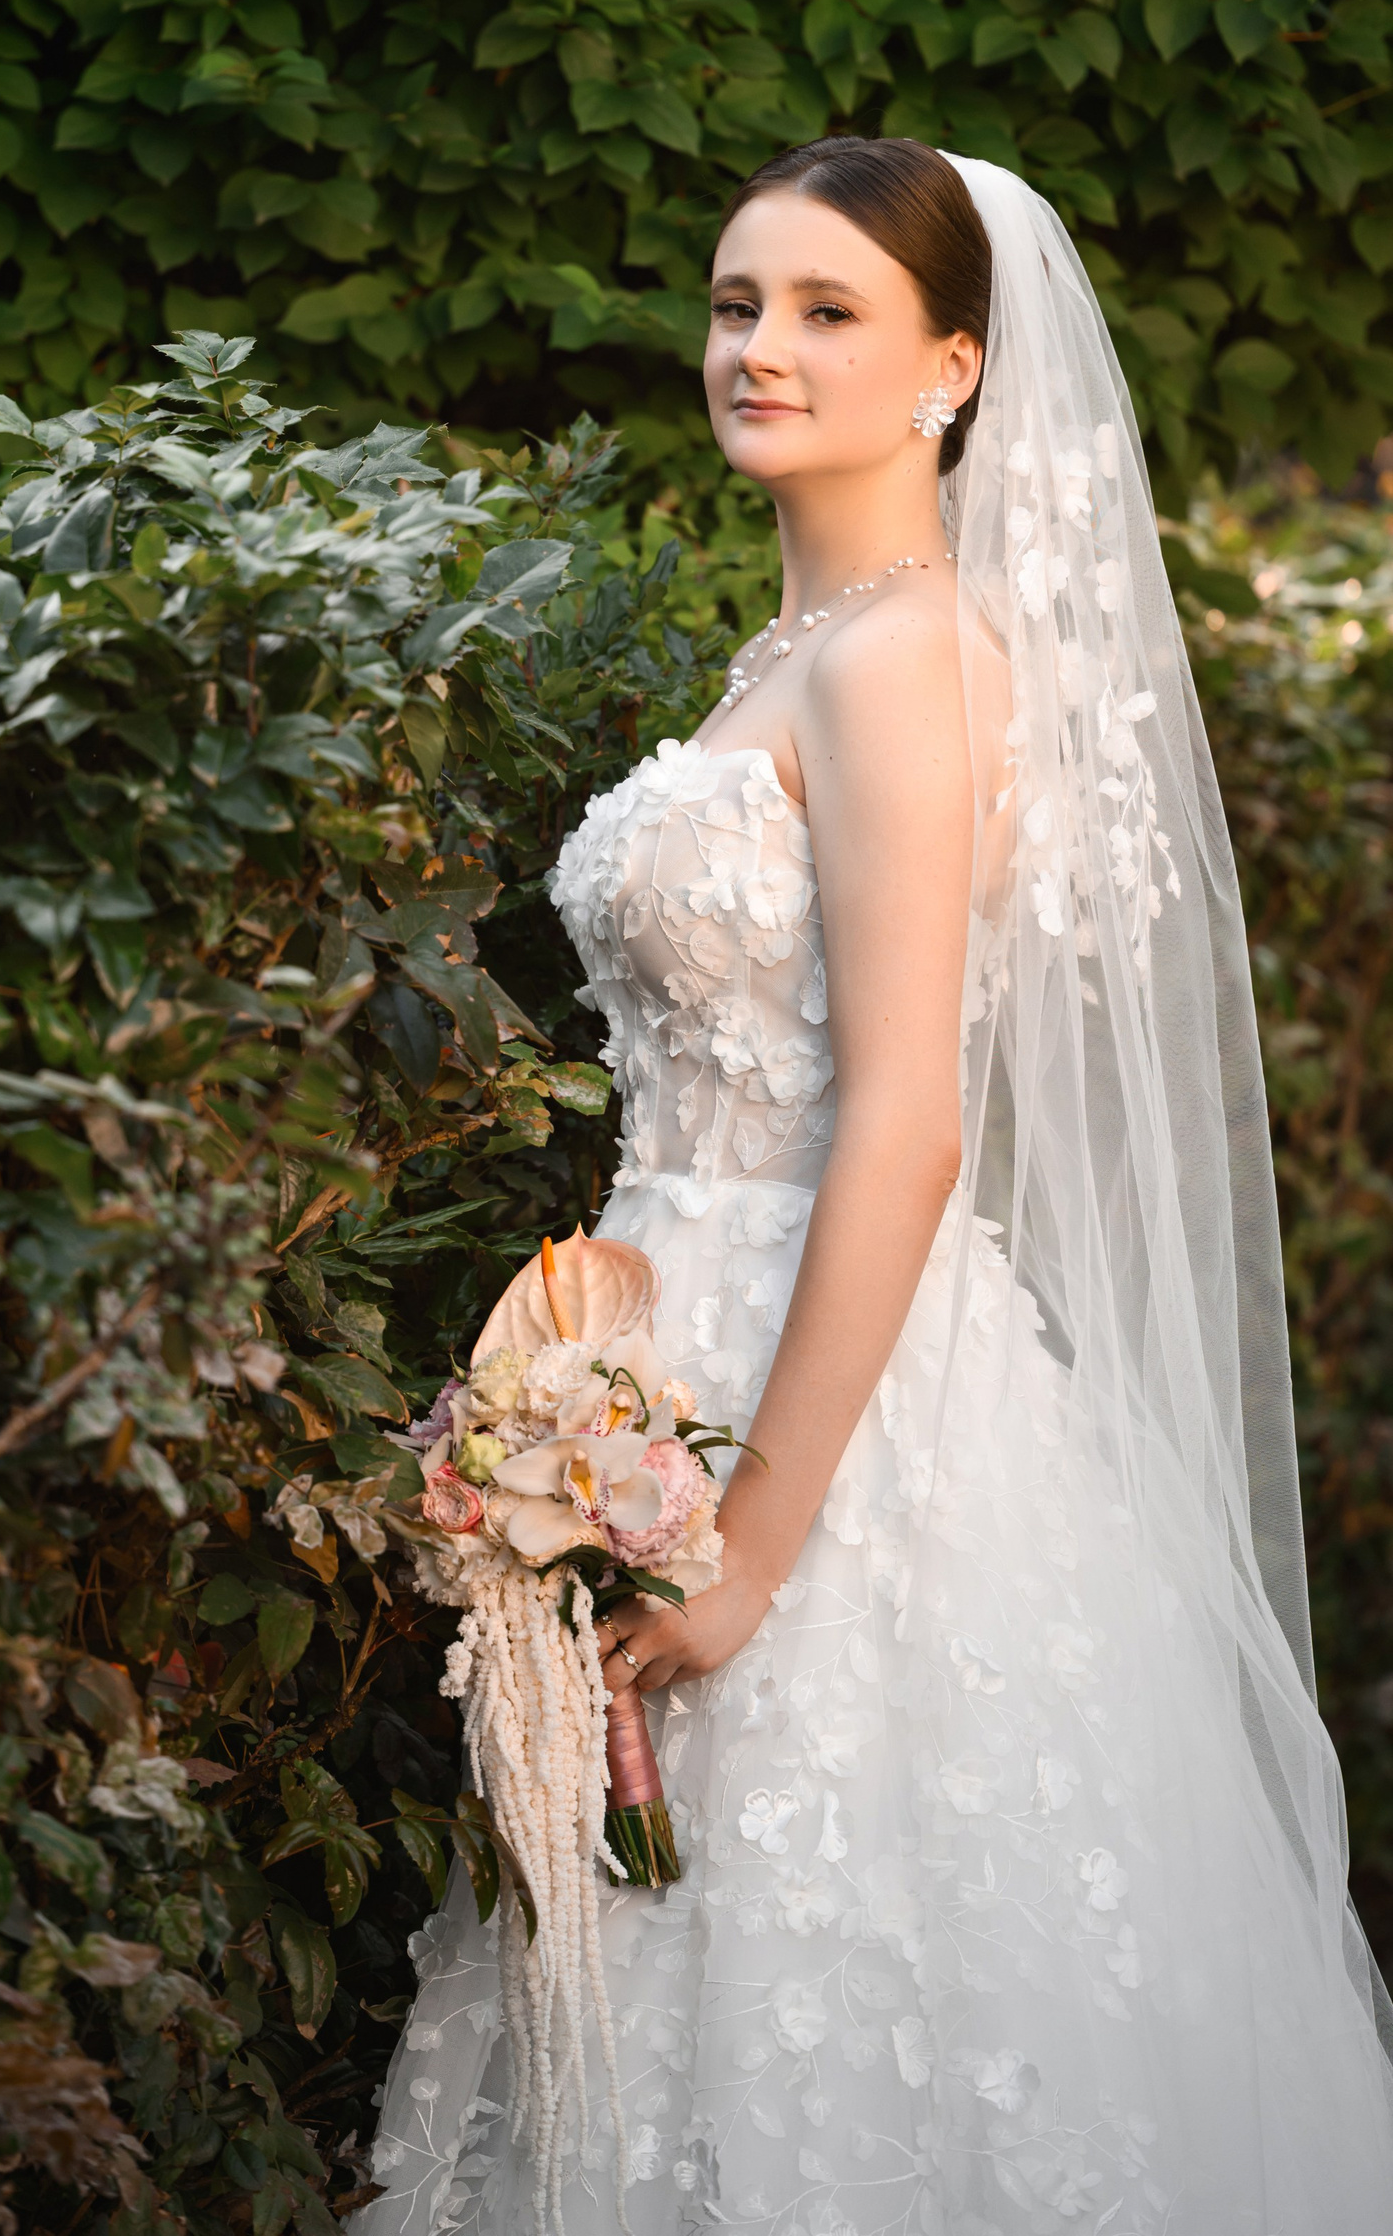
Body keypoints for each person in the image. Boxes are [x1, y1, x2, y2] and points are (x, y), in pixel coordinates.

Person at [358, 140, 1393, 2234]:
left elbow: (907, 1121)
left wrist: (748, 1545)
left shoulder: (902, 656)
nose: (761, 346)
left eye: (828, 310)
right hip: (666, 1355)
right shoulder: (798, 650)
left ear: (952, 369)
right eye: (739, 303)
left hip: (826, 1417)